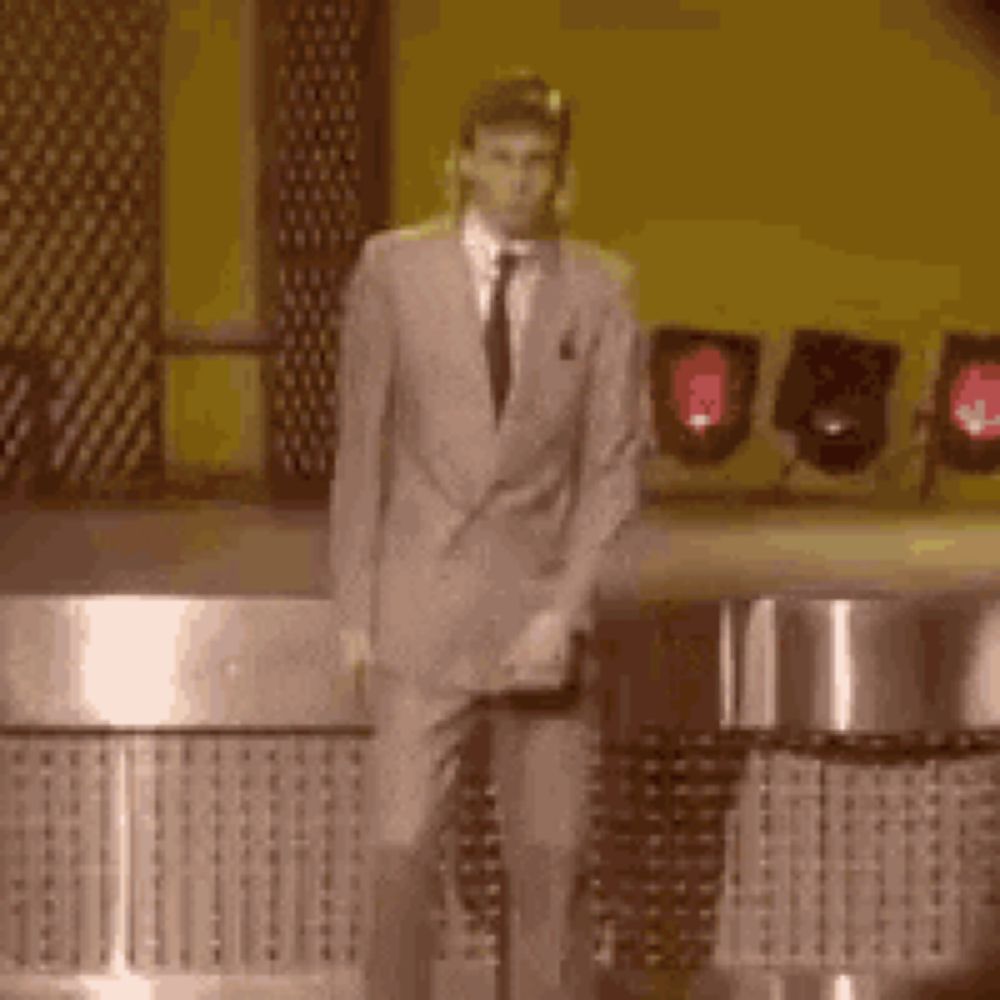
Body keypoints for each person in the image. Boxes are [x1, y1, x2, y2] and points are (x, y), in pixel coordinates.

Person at [330, 68, 646, 1000]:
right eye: (500, 160)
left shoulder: (600, 288)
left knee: (552, 866)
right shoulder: (392, 270)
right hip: (418, 615)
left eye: (538, 164)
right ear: (462, 165)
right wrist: (355, 609)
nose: (519, 181)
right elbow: (361, 451)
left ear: (562, 177)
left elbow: (613, 469)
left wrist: (566, 609)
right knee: (398, 862)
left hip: (540, 623)